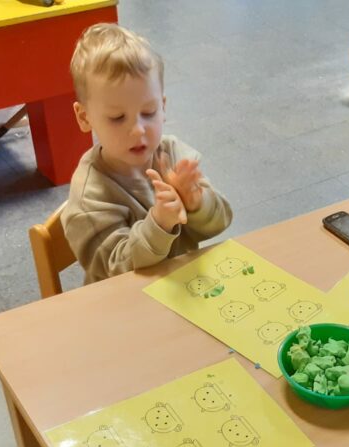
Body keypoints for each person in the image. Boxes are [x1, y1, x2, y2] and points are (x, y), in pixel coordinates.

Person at [63, 24, 233, 284]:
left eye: (149, 112)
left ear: (162, 107)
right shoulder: (90, 196)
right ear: (85, 117)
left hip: (183, 288)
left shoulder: (173, 154)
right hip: (124, 301)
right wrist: (159, 224)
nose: (138, 130)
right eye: (117, 117)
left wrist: (197, 202)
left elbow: (221, 222)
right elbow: (113, 270)